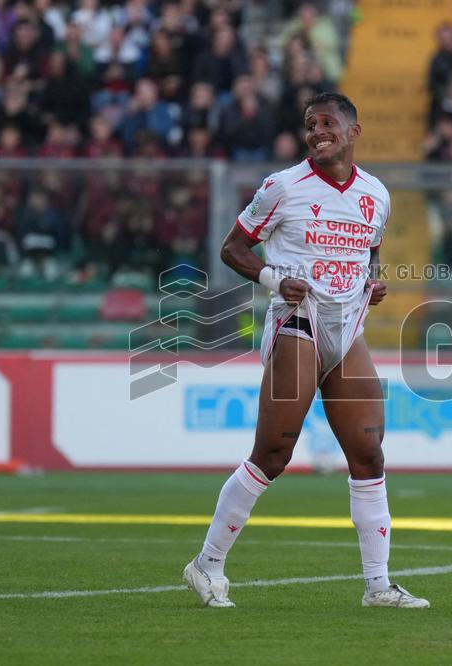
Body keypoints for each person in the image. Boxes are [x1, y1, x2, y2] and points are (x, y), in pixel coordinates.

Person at [182, 92, 429, 609]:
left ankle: (378, 586)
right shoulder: (281, 187)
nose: (317, 132)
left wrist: (372, 282)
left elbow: (370, 253)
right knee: (274, 453)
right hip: (298, 320)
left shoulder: (377, 195)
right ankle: (206, 564)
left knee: (368, 453)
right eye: (310, 125)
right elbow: (232, 248)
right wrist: (274, 277)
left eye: (327, 123)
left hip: (348, 326)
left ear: (353, 131)